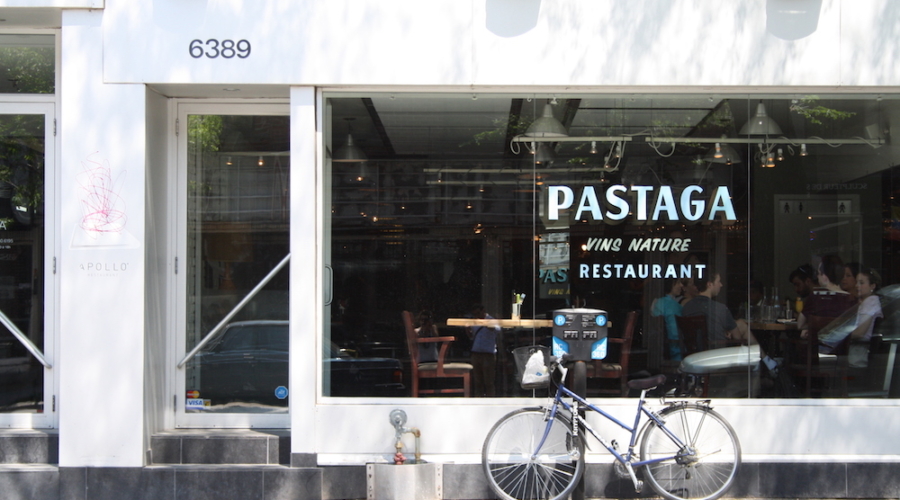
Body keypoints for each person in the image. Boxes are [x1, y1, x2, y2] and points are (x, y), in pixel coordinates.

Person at [681, 269, 751, 349]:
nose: (721, 285)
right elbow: (737, 338)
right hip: (717, 352)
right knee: (742, 326)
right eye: (718, 281)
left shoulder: (686, 307)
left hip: (696, 353)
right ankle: (760, 354)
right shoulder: (720, 308)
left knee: (740, 323)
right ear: (709, 284)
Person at [798, 255, 855, 338]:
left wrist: (811, 328)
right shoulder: (851, 299)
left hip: (818, 344)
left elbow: (800, 325)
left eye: (818, 273)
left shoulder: (815, 296)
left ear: (824, 276)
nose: (817, 277)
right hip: (841, 344)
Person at [468, 304, 501, 397]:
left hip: (488, 354)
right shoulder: (474, 321)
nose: (477, 315)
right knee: (477, 381)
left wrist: (485, 323)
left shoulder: (491, 320)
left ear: (483, 311)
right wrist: (467, 328)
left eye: (478, 313)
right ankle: (478, 399)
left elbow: (496, 330)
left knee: (489, 381)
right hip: (476, 353)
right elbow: (472, 336)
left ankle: (490, 399)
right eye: (475, 314)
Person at [651, 277, 683, 361]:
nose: (681, 285)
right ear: (670, 285)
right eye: (677, 283)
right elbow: (675, 333)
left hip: (659, 351)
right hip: (675, 353)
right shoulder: (672, 305)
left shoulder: (657, 302)